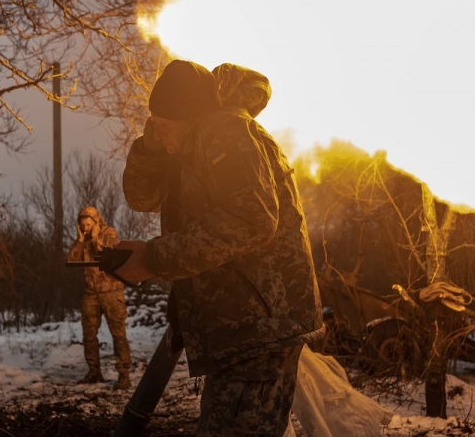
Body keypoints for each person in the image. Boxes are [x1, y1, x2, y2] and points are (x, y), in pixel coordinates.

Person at [117, 60, 324, 436]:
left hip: (258, 325)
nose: (158, 135)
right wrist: (151, 146)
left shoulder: (225, 131)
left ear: (190, 118)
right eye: (154, 127)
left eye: (165, 128)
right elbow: (141, 196)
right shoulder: (189, 146)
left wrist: (155, 258)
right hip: (243, 326)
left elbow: (252, 219)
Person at [67, 206, 132, 390]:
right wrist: (80, 240)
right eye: (83, 224)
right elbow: (71, 260)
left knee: (118, 334)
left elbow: (108, 256)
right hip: (91, 293)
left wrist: (95, 238)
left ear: (96, 221)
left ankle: (124, 375)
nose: (86, 227)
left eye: (88, 224)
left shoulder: (109, 233)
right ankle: (94, 371)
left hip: (112, 292)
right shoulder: (83, 239)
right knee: (89, 334)